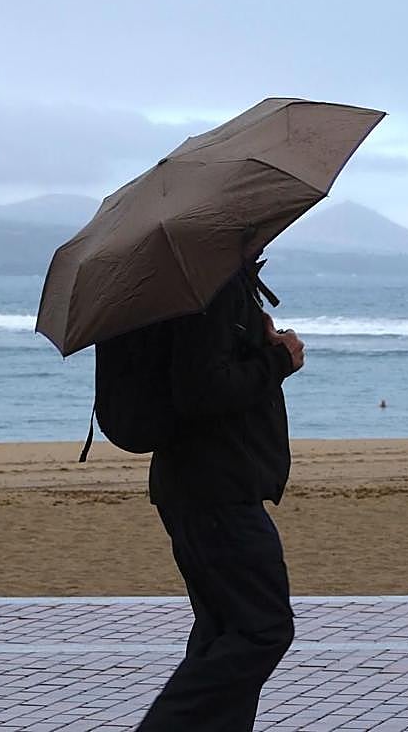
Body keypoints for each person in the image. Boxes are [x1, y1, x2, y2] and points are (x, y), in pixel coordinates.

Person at [135, 257, 304, 732]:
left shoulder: (202, 282)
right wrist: (277, 359)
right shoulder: (210, 286)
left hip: (200, 486)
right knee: (261, 629)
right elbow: (201, 390)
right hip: (215, 490)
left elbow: (207, 372)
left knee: (224, 631)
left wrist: (259, 343)